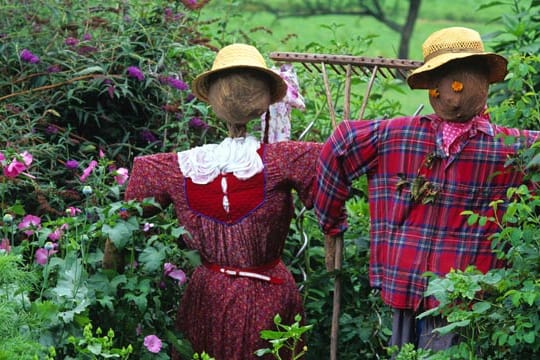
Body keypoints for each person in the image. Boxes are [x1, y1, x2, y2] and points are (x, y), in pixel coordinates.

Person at [314, 26, 539, 352]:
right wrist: (331, 223)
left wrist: (331, 220)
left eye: (457, 83)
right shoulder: (398, 136)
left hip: (462, 293)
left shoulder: (506, 148)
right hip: (409, 281)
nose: (448, 94)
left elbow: (340, 142)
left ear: (483, 83)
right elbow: (341, 144)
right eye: (438, 84)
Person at [123, 44, 322, 359]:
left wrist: (116, 273)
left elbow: (122, 225)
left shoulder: (175, 166)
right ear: (267, 98)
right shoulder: (287, 158)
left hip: (249, 297)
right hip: (222, 298)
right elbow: (328, 203)